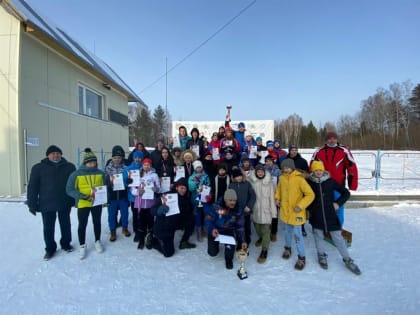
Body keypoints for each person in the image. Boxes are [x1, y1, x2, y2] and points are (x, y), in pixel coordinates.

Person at [307, 161, 361, 275]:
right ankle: (321, 255)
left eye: (320, 170)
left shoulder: (330, 182)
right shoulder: (309, 183)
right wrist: (309, 209)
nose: (318, 172)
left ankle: (347, 259)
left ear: (323, 171)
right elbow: (304, 195)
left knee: (338, 239)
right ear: (313, 171)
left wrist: (338, 203)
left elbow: (346, 193)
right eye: (316, 170)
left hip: (330, 215)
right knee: (318, 237)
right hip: (317, 216)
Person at [27, 145, 76, 260]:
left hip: (64, 201)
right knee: (48, 227)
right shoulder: (38, 168)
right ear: (47, 155)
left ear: (61, 154)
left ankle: (66, 244)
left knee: (65, 224)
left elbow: (75, 185)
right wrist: (32, 203)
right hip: (46, 203)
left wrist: (75, 199)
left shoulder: (69, 167)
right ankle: (50, 249)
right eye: (53, 153)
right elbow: (32, 187)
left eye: (58, 153)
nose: (55, 155)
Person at [310, 131, 359, 225]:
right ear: (326, 140)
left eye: (334, 138)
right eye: (329, 138)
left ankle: (339, 228)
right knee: (325, 208)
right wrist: (312, 182)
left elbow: (351, 167)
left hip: (338, 185)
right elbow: (312, 167)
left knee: (338, 207)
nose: (332, 140)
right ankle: (327, 227)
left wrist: (352, 184)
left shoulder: (344, 151)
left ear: (337, 139)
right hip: (323, 185)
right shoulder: (319, 151)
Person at [274, 159, 315, 270]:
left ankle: (301, 257)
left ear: (292, 168)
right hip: (285, 212)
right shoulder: (282, 178)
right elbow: (279, 190)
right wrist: (277, 198)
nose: (286, 169)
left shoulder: (299, 179)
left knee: (298, 236)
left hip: (296, 213)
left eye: (288, 167)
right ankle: (287, 248)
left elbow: (310, 195)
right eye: (284, 168)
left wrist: (300, 206)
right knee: (287, 232)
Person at [66, 148, 106, 260]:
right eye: (89, 162)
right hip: (83, 203)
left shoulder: (100, 173)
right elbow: (69, 189)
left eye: (94, 162)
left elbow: (105, 187)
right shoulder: (75, 174)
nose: (92, 164)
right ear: (85, 162)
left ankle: (97, 241)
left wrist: (104, 198)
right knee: (82, 224)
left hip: (97, 203)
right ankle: (82, 245)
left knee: (97, 222)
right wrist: (81, 196)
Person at [150, 178, 196, 257]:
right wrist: (159, 210)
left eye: (185, 188)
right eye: (181, 188)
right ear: (176, 187)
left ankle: (184, 242)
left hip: (174, 224)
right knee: (168, 253)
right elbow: (152, 210)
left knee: (191, 219)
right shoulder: (166, 196)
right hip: (164, 226)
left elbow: (188, 212)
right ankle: (153, 240)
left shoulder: (185, 199)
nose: (183, 190)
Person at [205, 189, 247, 270]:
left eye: (234, 200)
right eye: (230, 200)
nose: (233, 202)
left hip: (228, 231)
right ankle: (214, 247)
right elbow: (208, 220)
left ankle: (228, 259)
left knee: (230, 246)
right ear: (225, 200)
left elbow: (240, 227)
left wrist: (242, 241)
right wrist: (212, 229)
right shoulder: (216, 207)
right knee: (212, 253)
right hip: (216, 231)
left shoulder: (238, 210)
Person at [248, 164, 277, 264]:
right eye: (258, 171)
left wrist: (274, 213)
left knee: (266, 230)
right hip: (256, 210)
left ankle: (264, 250)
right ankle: (261, 237)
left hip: (266, 211)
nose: (260, 173)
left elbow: (272, 199)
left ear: (264, 172)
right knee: (257, 228)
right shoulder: (251, 182)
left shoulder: (269, 183)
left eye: (262, 171)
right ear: (256, 173)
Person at [104, 146, 131, 242]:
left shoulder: (126, 168)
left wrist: (129, 180)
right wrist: (108, 181)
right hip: (112, 196)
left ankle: (124, 228)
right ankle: (113, 231)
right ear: (112, 158)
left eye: (119, 158)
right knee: (111, 214)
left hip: (123, 195)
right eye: (115, 158)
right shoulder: (107, 168)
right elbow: (104, 182)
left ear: (121, 158)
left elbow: (129, 181)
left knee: (125, 213)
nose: (117, 160)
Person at [134, 158, 161, 250]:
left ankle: (149, 239)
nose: (146, 166)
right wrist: (137, 191)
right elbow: (132, 188)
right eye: (145, 165)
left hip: (150, 202)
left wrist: (156, 189)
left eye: (148, 165)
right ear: (142, 165)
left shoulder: (154, 175)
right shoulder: (138, 174)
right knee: (141, 222)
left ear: (151, 166)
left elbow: (159, 187)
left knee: (150, 221)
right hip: (140, 202)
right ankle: (141, 239)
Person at [229, 168, 256, 248]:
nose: (239, 178)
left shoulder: (247, 184)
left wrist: (249, 206)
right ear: (234, 178)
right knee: (238, 227)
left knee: (246, 226)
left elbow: (253, 196)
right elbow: (229, 197)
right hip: (236, 211)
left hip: (246, 211)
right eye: (237, 177)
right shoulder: (231, 185)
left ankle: (247, 241)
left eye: (240, 176)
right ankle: (240, 242)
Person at [287, 144, 309, 236]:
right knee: (289, 206)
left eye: (296, 150)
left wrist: (301, 174)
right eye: (292, 150)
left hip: (299, 187)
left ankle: (302, 227)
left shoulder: (303, 161)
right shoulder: (286, 160)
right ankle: (290, 224)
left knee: (300, 207)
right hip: (288, 187)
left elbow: (307, 174)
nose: (294, 151)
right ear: (289, 151)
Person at [188, 160, 211, 242]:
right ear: (195, 168)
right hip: (196, 199)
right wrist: (196, 179)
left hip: (204, 199)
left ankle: (205, 228)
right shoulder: (192, 177)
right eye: (197, 167)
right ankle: (199, 230)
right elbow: (190, 188)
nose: (199, 169)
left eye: (200, 167)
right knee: (197, 214)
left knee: (207, 212)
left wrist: (209, 195)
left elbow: (209, 186)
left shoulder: (206, 176)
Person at [123, 151, 144, 242]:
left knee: (143, 214)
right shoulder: (128, 169)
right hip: (133, 196)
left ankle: (143, 230)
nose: (138, 159)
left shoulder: (145, 168)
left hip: (143, 195)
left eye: (139, 158)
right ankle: (137, 232)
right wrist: (127, 182)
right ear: (133, 158)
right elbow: (123, 182)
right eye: (136, 157)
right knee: (135, 214)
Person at [263, 155, 280, 241]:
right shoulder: (262, 171)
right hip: (265, 195)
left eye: (270, 161)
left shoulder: (277, 171)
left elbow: (280, 185)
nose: (268, 162)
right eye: (267, 161)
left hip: (274, 195)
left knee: (274, 215)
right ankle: (267, 231)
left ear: (273, 162)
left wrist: (278, 197)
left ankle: (273, 232)